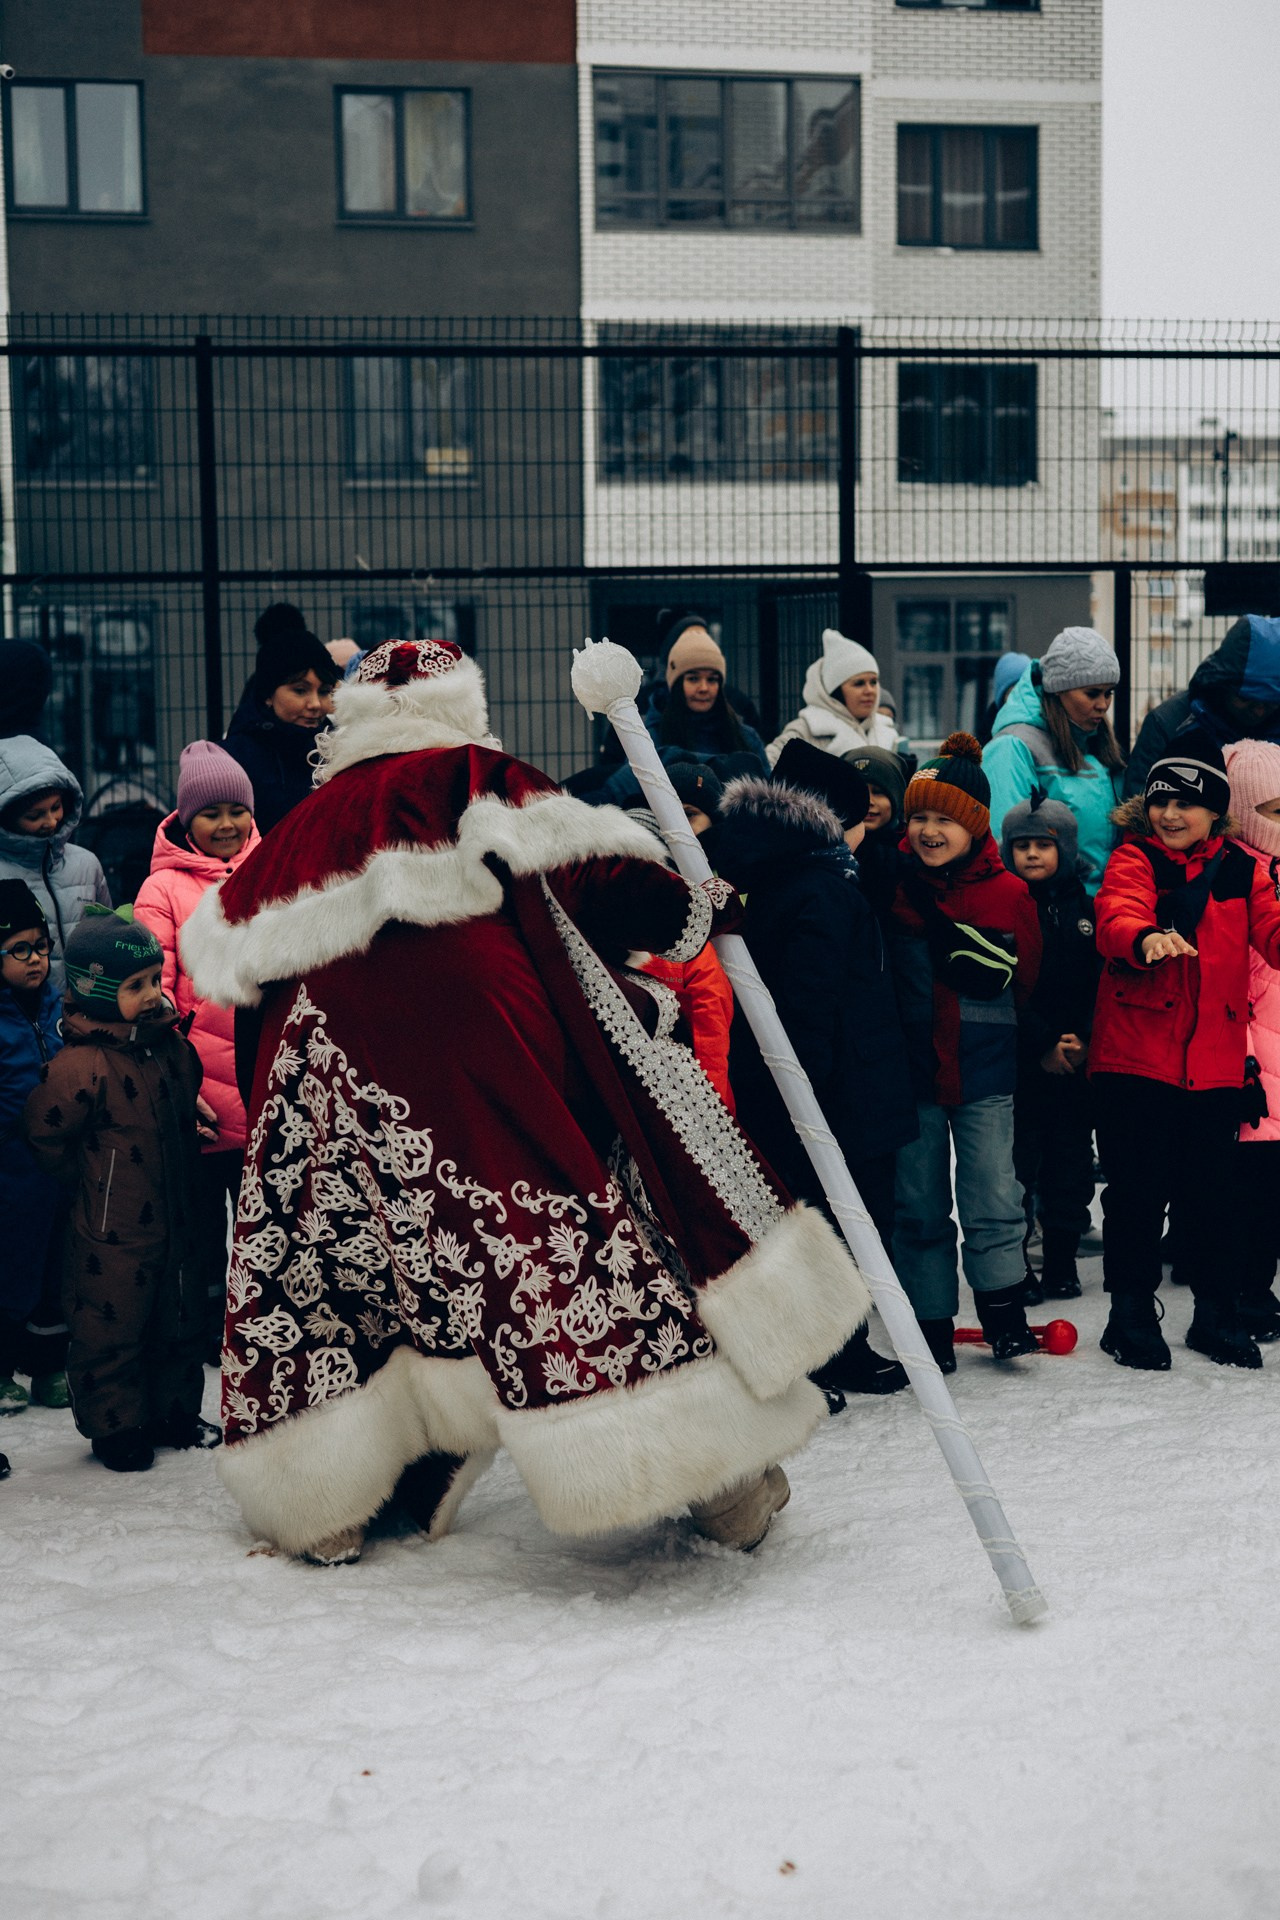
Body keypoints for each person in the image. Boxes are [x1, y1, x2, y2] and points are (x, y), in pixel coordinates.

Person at [181, 639, 871, 1565]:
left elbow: (236, 967)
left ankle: (330, 1503)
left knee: (341, 1264)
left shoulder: (308, 820)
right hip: (475, 1051)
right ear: (457, 708)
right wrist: (694, 908)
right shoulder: (471, 773)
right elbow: (597, 874)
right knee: (550, 1245)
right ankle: (720, 1486)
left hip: (321, 1076)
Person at [715, 739, 916, 1396]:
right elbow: (811, 999)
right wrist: (814, 1091)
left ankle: (827, 1342)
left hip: (813, 1090)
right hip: (839, 1098)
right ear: (834, 821)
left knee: (812, 1220)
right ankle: (840, 1347)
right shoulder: (824, 888)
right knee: (845, 1221)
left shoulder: (774, 876)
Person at [1091, 732, 1280, 1371]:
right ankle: (1131, 1315)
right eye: (1161, 800)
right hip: (1135, 1060)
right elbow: (1117, 913)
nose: (1170, 813)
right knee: (1137, 1193)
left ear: (1217, 812)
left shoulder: (1243, 870)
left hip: (1216, 1064)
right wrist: (1144, 939)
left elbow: (1273, 933)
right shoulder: (1134, 859)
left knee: (1212, 1196)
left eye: (1187, 803)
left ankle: (1215, 1315)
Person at [24, 907, 218, 1471]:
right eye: (135, 986)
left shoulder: (168, 1046)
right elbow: (45, 1133)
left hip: (178, 1214)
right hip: (112, 1229)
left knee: (179, 1316)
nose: (154, 993)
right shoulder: (81, 1065)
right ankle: (117, 1426)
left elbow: (186, 1095)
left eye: (156, 980)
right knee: (112, 1325)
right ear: (97, 991)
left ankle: (174, 1412)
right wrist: (95, 1180)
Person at [887, 734, 1042, 1372]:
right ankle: (929, 1320)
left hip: (985, 1071)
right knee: (918, 1200)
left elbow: (1027, 977)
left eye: (944, 818)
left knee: (993, 1192)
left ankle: (1003, 1310)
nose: (928, 830)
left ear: (974, 825)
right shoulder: (893, 885)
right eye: (919, 815)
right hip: (914, 1070)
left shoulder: (1008, 895)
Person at [133, 742, 261, 1357]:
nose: (227, 823)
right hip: (200, 1093)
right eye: (211, 812)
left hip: (264, 1081)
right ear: (186, 819)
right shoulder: (162, 889)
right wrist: (179, 1082)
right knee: (203, 1222)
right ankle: (208, 1319)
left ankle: (261, 1314)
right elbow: (150, 990)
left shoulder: (273, 870)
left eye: (237, 808)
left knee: (268, 1217)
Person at [1000, 796, 1101, 1303]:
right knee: (1018, 1167)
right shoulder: (1003, 905)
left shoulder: (1088, 908)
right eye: (1022, 846)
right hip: (1022, 1062)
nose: (1033, 855)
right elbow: (1002, 985)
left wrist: (1080, 1040)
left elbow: (1099, 982)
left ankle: (1062, 1260)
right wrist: (1041, 1041)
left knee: (1070, 1167)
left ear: (1066, 847)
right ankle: (1017, 1265)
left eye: (1044, 845)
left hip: (1075, 1064)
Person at [984, 628, 1125, 898]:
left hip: (1098, 911)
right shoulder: (1011, 748)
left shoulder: (1097, 746)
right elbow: (1006, 849)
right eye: (1092, 693)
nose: (1103, 704)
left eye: (1109, 693)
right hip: (1050, 916)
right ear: (1058, 691)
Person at [0, 880, 68, 1414]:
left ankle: (48, 1369)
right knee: (9, 1276)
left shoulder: (52, 1008)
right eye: (19, 950)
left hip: (55, 1170)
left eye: (41, 947)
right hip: (9, 1171)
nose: (35, 961)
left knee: (53, 1275)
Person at [1223, 739, 1280, 1343]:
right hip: (1249, 1063)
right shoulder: (1234, 874)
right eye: (1275, 810)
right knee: (1252, 1191)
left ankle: (1256, 1285)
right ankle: (1246, 1290)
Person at [583, 623, 769, 807]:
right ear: (676, 683)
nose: (704, 688)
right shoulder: (649, 734)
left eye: (712, 679)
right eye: (693, 678)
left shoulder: (746, 736)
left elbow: (767, 792)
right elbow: (628, 788)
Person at [1124, 614, 1280, 800]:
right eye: (1246, 699)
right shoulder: (1168, 723)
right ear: (1222, 686)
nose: (1259, 711)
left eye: (1270, 701)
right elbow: (1137, 808)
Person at [0, 737, 111, 989]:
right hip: (17, 1019)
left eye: (56, 807)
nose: (50, 821)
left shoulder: (86, 864)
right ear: (6, 816)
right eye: (35, 815)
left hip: (86, 1009)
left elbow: (107, 936)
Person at [222, 602, 340, 833]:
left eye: (324, 691)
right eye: (300, 690)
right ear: (267, 694)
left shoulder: (343, 748)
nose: (315, 704)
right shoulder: (234, 759)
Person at [767, 628, 905, 764]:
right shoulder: (805, 732)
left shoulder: (886, 731)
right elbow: (766, 773)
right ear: (836, 692)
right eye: (859, 683)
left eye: (873, 682)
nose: (869, 690)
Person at [841, 743, 908, 930]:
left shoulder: (910, 850)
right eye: (859, 791)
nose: (869, 801)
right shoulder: (832, 850)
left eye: (879, 792)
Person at [978, 651, 1032, 745]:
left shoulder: (1048, 726)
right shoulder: (989, 738)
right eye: (1013, 693)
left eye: (1025, 690)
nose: (1020, 698)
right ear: (1002, 698)